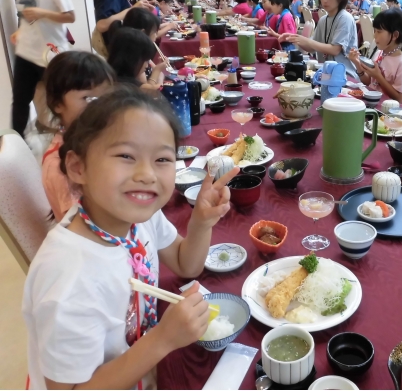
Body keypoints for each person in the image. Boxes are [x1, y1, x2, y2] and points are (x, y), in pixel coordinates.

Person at [23, 85, 240, 390]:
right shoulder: (68, 278)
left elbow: (185, 264)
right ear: (77, 167)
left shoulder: (138, 217)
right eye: (126, 155)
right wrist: (162, 340)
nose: (147, 174)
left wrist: (201, 222)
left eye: (162, 159)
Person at [10, 0, 75, 138]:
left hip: (51, 53)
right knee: (20, 101)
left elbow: (70, 16)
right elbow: (26, 13)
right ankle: (16, 146)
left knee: (60, 101)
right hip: (26, 52)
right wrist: (21, 30)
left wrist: (43, 13)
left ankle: (72, 138)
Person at [41, 51, 115, 222]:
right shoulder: (58, 166)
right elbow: (84, 225)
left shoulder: (93, 138)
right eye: (88, 97)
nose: (100, 105)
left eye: (106, 96)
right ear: (57, 103)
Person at [279, 0, 358, 78]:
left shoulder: (345, 18)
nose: (324, 0)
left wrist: (306, 41)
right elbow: (311, 48)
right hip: (326, 74)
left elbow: (335, 50)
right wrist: (294, 38)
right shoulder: (323, 20)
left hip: (344, 75)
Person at [348, 8, 402, 106]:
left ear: (395, 35)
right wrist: (357, 64)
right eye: (375, 31)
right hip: (374, 103)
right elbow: (369, 82)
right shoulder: (379, 53)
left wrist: (378, 76)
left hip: (389, 112)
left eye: (379, 31)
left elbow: (400, 100)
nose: (374, 35)